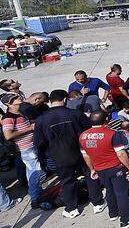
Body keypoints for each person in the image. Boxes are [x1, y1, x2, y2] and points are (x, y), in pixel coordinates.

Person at [33, 89, 105, 218]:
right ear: (65, 100)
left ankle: (72, 208)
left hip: (59, 155)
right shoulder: (76, 114)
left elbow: (39, 142)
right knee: (91, 175)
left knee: (66, 181)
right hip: (81, 151)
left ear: (50, 101)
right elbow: (88, 131)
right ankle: (97, 203)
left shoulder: (41, 119)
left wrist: (45, 157)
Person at [79, 111, 129, 228]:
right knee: (122, 193)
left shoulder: (83, 136)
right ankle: (126, 220)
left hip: (100, 169)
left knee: (109, 190)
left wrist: (92, 169)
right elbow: (121, 154)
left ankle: (113, 213)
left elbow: (86, 155)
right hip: (116, 168)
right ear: (106, 120)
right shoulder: (112, 134)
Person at [1, 93, 43, 207]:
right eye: (13, 99)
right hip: (25, 149)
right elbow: (8, 136)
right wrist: (29, 128)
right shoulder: (8, 118)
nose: (17, 98)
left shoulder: (20, 112)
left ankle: (36, 193)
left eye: (16, 97)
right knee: (36, 171)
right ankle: (35, 196)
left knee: (33, 171)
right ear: (8, 104)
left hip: (30, 146)